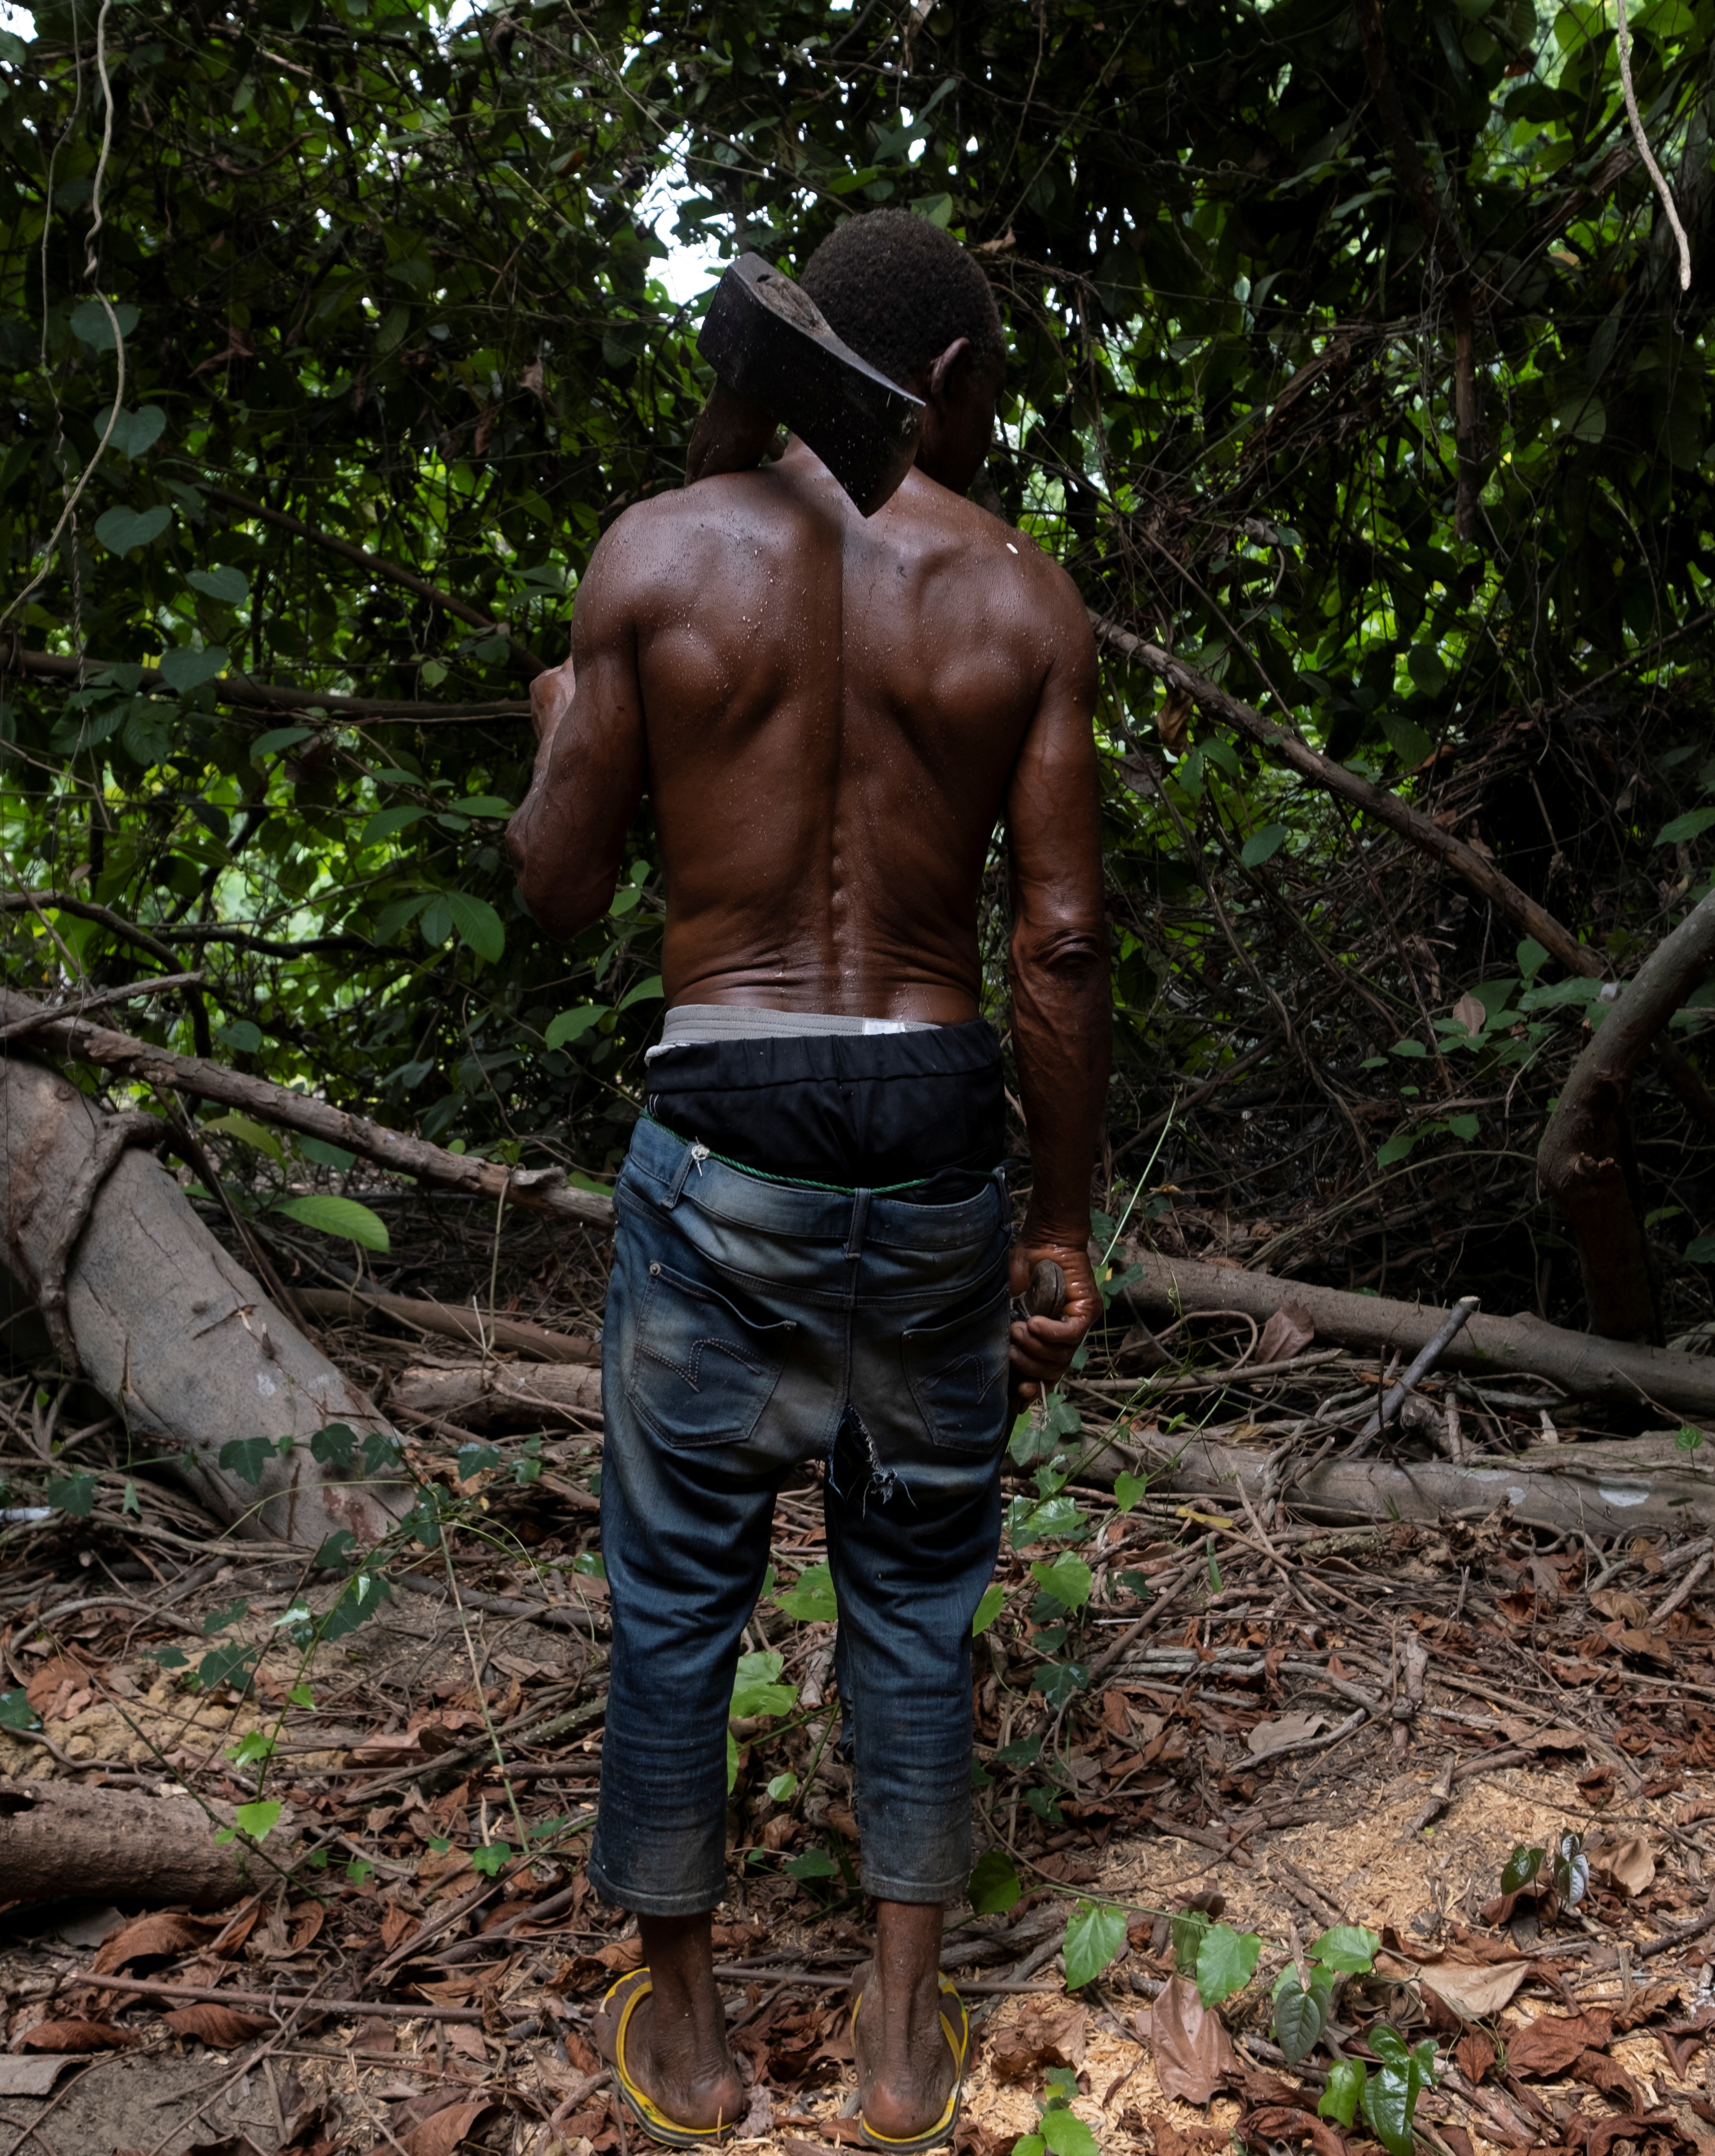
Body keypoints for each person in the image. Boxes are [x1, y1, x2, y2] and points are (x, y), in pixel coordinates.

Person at [505, 207, 1109, 2150]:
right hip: (933, 1125)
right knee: (917, 1593)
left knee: (681, 1587)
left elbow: (558, 888)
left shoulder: (657, 556)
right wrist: (1059, 1215)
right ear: (934, 385)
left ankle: (685, 2043)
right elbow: (1064, 942)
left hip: (724, 1120)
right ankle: (901, 2040)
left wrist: (553, 735)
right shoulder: (1019, 596)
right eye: (987, 389)